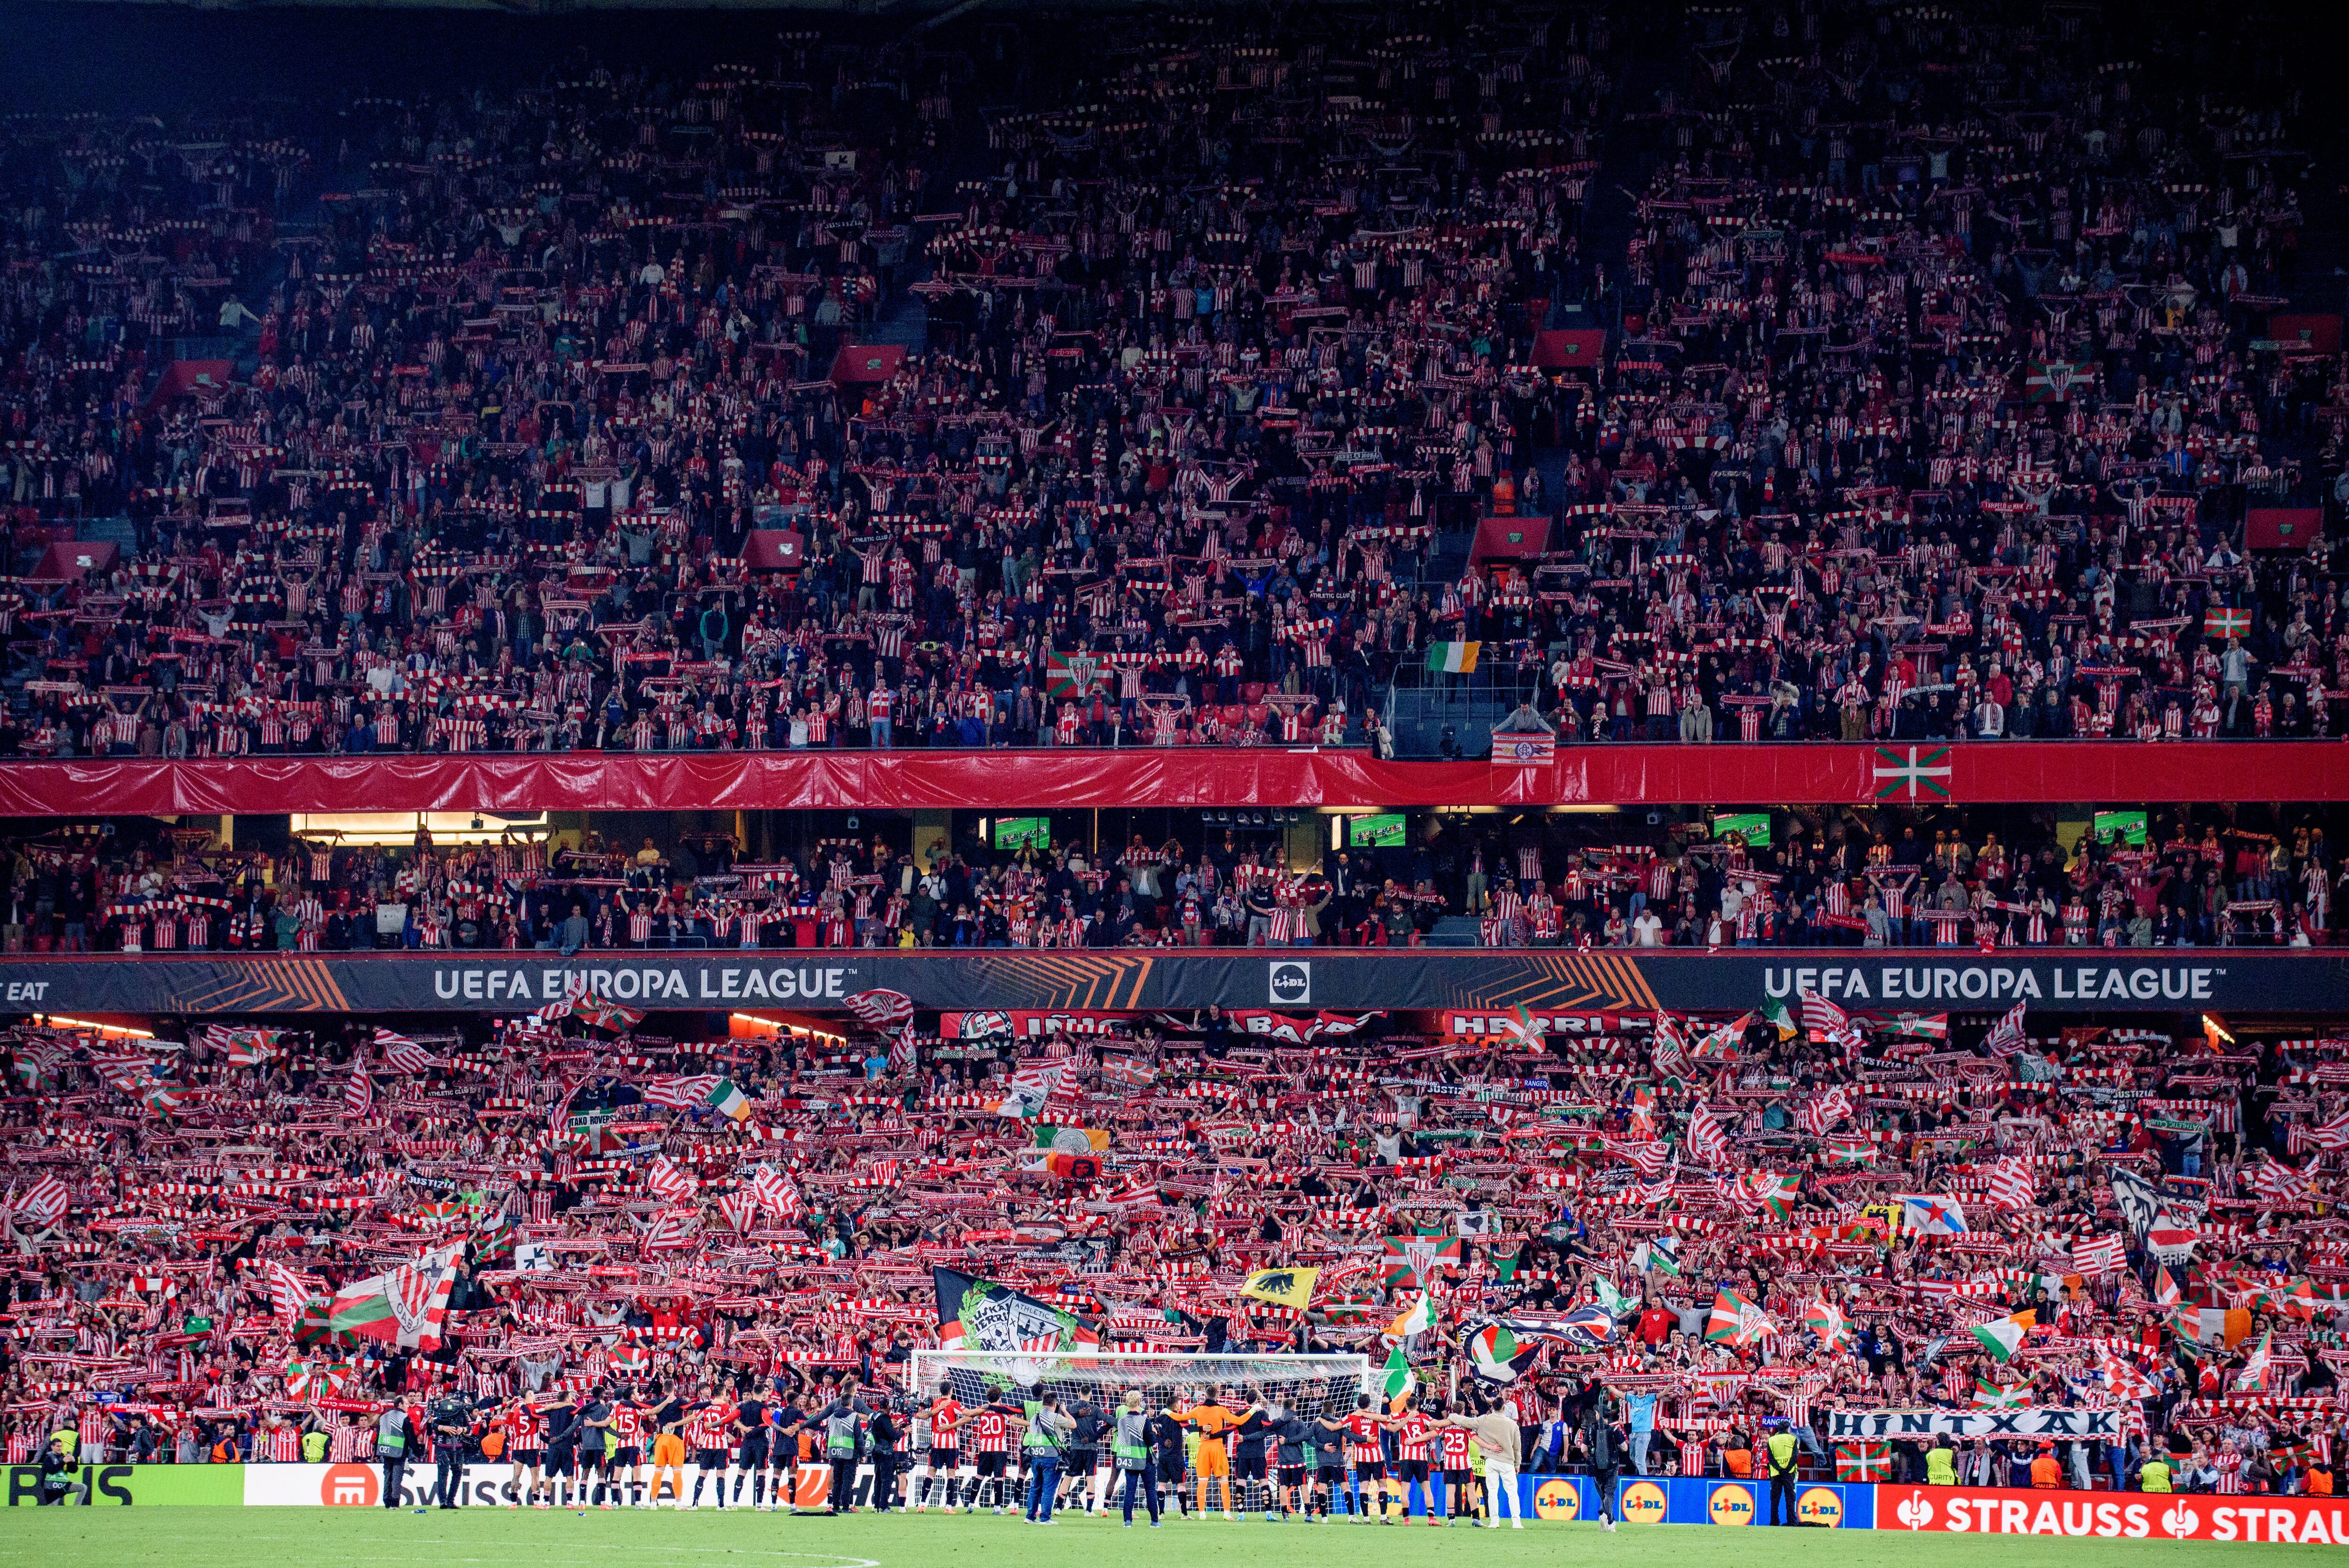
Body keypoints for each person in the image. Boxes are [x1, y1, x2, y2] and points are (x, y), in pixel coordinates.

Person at [1020, 1390, 1072, 1522]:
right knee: (1049, 1489)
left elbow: (1031, 1432)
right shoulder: (1056, 1417)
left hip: (1035, 1456)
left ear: (1043, 1403)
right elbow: (1073, 1424)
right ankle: (1045, 1518)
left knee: (1035, 1487)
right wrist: (1064, 1411)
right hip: (1051, 1457)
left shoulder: (1034, 1418)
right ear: (1055, 1404)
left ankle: (1030, 1517)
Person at [1114, 1389, 1162, 1526]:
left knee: (1130, 1490)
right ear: (1139, 1402)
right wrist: (1154, 1432)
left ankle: (1127, 1521)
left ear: (1127, 1402)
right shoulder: (1144, 1421)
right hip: (1145, 1459)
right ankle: (1154, 1521)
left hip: (1129, 1459)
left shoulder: (1122, 1421)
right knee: (1150, 1490)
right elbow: (1151, 1442)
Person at [1579, 1399, 1624, 1531]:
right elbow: (1625, 1448)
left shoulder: (1591, 1429)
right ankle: (1604, 1514)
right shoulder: (1614, 1430)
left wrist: (1592, 1458)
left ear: (1599, 1414)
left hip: (1596, 1468)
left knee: (1604, 1495)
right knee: (1609, 1493)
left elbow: (1583, 1449)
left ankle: (1610, 1522)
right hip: (1612, 1467)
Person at [376, 1399, 417, 1508]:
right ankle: (395, 1502)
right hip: (399, 1451)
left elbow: (378, 1435)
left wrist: (377, 1451)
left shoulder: (384, 1417)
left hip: (385, 1450)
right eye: (406, 1404)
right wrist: (416, 1451)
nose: (408, 1406)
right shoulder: (404, 1418)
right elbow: (410, 1436)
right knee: (397, 1477)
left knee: (388, 1476)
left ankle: (387, 1500)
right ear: (400, 1405)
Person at [1763, 1418, 1800, 1525]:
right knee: (1790, 1498)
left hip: (1775, 1473)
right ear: (1788, 1429)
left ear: (1778, 1429)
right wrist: (1787, 1469)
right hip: (1789, 1473)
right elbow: (1794, 1457)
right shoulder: (1793, 1439)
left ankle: (1774, 1521)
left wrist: (1779, 1469)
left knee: (1775, 1499)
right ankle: (1792, 1521)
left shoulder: (1772, 1440)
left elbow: (1770, 1457)